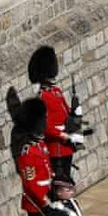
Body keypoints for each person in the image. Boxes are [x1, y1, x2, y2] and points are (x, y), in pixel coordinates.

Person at [14, 98, 54, 216]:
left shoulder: (41, 145)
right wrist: (44, 199)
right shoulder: (27, 151)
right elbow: (30, 182)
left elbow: (47, 171)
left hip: (47, 196)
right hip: (35, 203)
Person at [29, 46, 84, 180]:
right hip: (56, 148)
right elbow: (44, 126)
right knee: (59, 183)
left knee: (67, 181)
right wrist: (62, 134)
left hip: (67, 145)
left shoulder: (57, 91)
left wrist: (75, 112)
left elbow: (65, 113)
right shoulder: (42, 97)